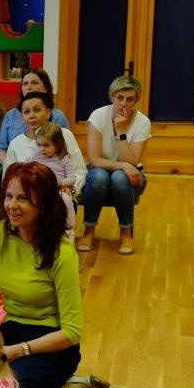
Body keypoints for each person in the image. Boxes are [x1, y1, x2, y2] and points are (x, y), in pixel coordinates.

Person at [0, 162, 143, 388]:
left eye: (23, 198)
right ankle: (64, 387)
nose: (11, 205)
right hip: (10, 332)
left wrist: (17, 351)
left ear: (43, 204)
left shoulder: (62, 252)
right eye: (9, 196)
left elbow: (71, 332)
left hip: (53, 344)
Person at [78, 75, 152, 255]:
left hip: (131, 177)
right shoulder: (98, 116)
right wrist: (123, 166)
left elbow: (132, 162)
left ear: (136, 100)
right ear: (112, 97)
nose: (124, 104)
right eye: (120, 98)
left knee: (119, 178)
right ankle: (88, 231)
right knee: (99, 176)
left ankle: (126, 234)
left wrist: (121, 131)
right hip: (100, 172)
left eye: (130, 99)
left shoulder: (143, 122)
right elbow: (94, 159)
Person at [0, 68, 70, 165]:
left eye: (34, 83)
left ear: (45, 88)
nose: (29, 87)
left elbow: (64, 150)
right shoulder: (10, 115)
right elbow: (1, 148)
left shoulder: (58, 116)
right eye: (25, 83)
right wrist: (12, 169)